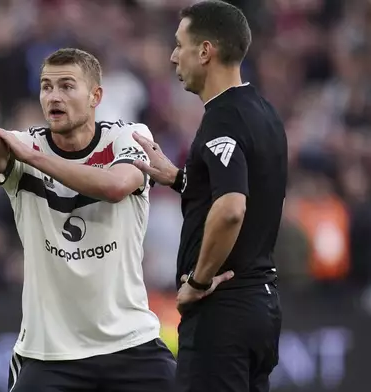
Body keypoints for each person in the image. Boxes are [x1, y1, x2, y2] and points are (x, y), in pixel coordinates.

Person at [0, 48, 178, 391]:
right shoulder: (27, 147)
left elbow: (117, 186)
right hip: (50, 355)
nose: (53, 96)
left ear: (95, 95)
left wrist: (37, 159)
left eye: (67, 86)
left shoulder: (126, 138)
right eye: (46, 87)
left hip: (130, 344)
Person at [132, 2, 286, 392]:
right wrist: (182, 179)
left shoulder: (222, 117)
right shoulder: (264, 112)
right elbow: (249, 191)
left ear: (205, 51)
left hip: (223, 313)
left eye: (179, 45)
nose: (172, 57)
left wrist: (199, 283)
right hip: (262, 305)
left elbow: (233, 207)